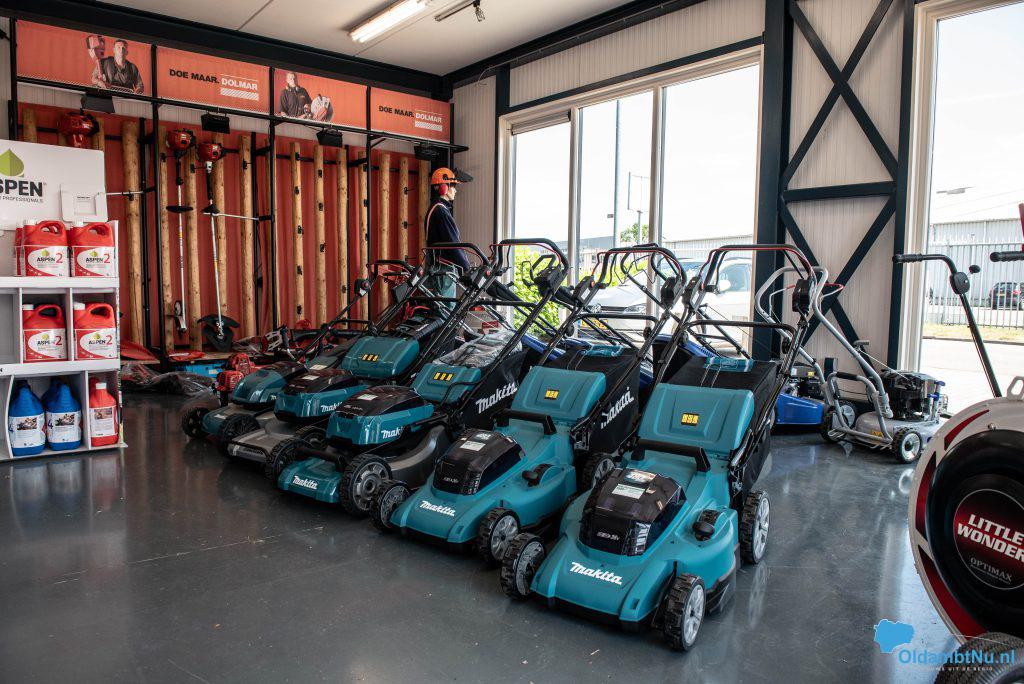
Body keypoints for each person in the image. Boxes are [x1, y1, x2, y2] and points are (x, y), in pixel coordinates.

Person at [424, 167, 474, 301]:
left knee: (438, 306)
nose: (455, 190)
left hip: (437, 266)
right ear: (444, 188)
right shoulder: (441, 212)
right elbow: (453, 244)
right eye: (453, 186)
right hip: (443, 269)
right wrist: (467, 269)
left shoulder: (435, 208)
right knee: (445, 308)